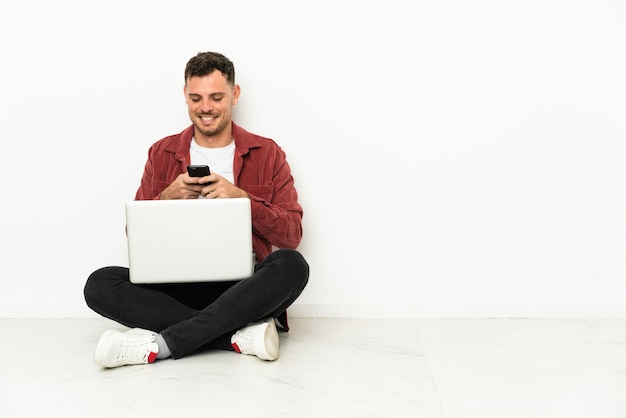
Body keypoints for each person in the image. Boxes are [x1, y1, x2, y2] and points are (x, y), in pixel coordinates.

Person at [84, 51, 309, 368]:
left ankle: (161, 344)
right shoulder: (162, 151)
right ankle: (236, 337)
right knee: (100, 284)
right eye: (196, 98)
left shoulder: (267, 152)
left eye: (216, 97)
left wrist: (241, 199)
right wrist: (165, 199)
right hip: (173, 289)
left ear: (235, 95)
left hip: (241, 288)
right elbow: (133, 233)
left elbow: (292, 235)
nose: (205, 108)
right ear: (185, 97)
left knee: (292, 265)